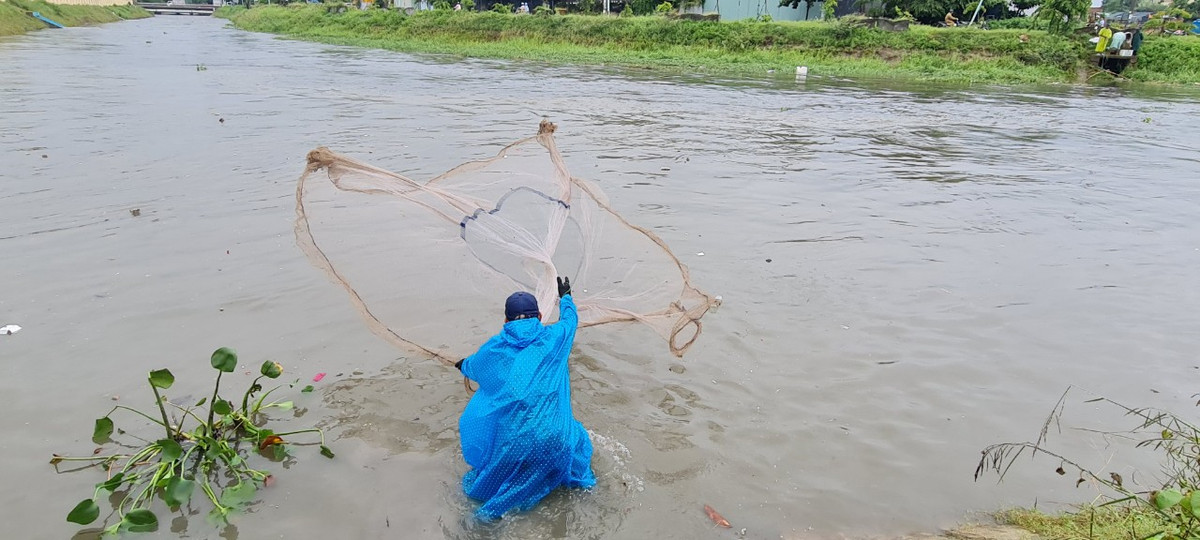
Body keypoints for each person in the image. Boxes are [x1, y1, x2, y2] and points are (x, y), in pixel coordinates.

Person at [455, 277, 596, 520]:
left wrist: (462, 365)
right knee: (576, 437)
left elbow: (474, 367)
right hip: (557, 441)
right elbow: (570, 320)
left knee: (482, 491)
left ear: (506, 320)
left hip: (515, 446)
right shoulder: (556, 338)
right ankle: (578, 486)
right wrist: (566, 297)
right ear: (540, 317)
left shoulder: (494, 349)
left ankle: (486, 520)